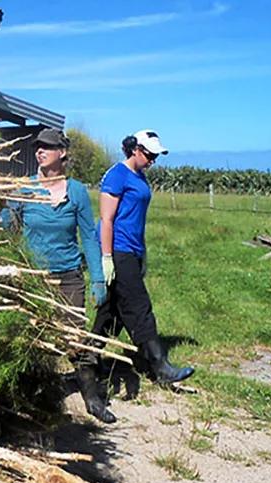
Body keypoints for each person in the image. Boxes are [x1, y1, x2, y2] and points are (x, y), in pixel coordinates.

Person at [0, 128, 114, 423]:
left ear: (62, 152)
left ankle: (91, 397)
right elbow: (7, 223)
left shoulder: (75, 191)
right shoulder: (24, 188)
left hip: (68, 277)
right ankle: (25, 395)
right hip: (33, 278)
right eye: (38, 147)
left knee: (75, 338)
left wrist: (98, 277)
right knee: (28, 337)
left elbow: (88, 236)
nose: (40, 150)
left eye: (47, 147)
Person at [92, 129, 193, 387]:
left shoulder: (140, 177)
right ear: (135, 149)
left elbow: (137, 219)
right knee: (140, 306)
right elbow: (106, 219)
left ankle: (89, 358)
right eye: (149, 154)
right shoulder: (117, 175)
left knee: (111, 310)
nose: (152, 160)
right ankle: (160, 367)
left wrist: (143, 252)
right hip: (119, 249)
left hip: (134, 250)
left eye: (155, 156)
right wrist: (106, 257)